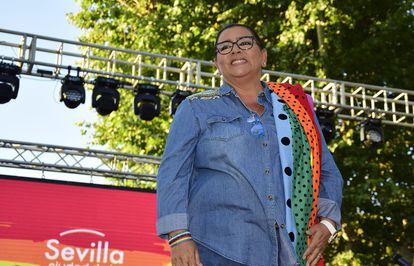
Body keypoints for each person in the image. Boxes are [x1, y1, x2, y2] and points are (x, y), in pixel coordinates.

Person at [156, 23, 343, 266]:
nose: (235, 50)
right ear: (217, 64)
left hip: (288, 253)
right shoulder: (195, 107)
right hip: (215, 251)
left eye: (245, 43)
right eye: (225, 47)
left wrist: (328, 223)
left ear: (263, 56)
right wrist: (178, 236)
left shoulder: (296, 110)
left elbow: (326, 170)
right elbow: (173, 173)